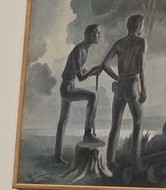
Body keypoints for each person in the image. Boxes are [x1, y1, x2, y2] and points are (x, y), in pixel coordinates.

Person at [100, 13, 147, 168]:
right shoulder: (141, 42)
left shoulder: (119, 43)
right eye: (142, 24)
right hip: (133, 83)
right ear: (139, 26)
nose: (143, 27)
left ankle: (110, 161)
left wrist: (117, 77)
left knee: (115, 125)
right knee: (138, 122)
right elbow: (141, 69)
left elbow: (105, 64)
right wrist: (143, 89)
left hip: (120, 85)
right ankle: (135, 160)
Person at [54, 24, 103, 163]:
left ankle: (57, 156)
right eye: (97, 33)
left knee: (63, 121)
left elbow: (80, 71)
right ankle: (87, 134)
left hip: (68, 85)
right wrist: (93, 70)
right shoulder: (79, 50)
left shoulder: (83, 49)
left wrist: (92, 71)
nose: (99, 36)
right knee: (93, 96)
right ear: (90, 35)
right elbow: (81, 77)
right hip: (68, 87)